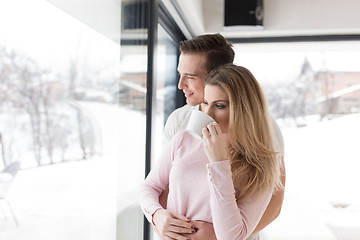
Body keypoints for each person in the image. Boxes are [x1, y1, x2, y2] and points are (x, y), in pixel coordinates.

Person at [154, 33, 286, 240]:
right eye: (180, 74)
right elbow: (164, 185)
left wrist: (218, 235)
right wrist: (159, 219)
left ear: (218, 76)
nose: (181, 85)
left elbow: (274, 202)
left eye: (190, 76)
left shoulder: (263, 128)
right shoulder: (178, 121)